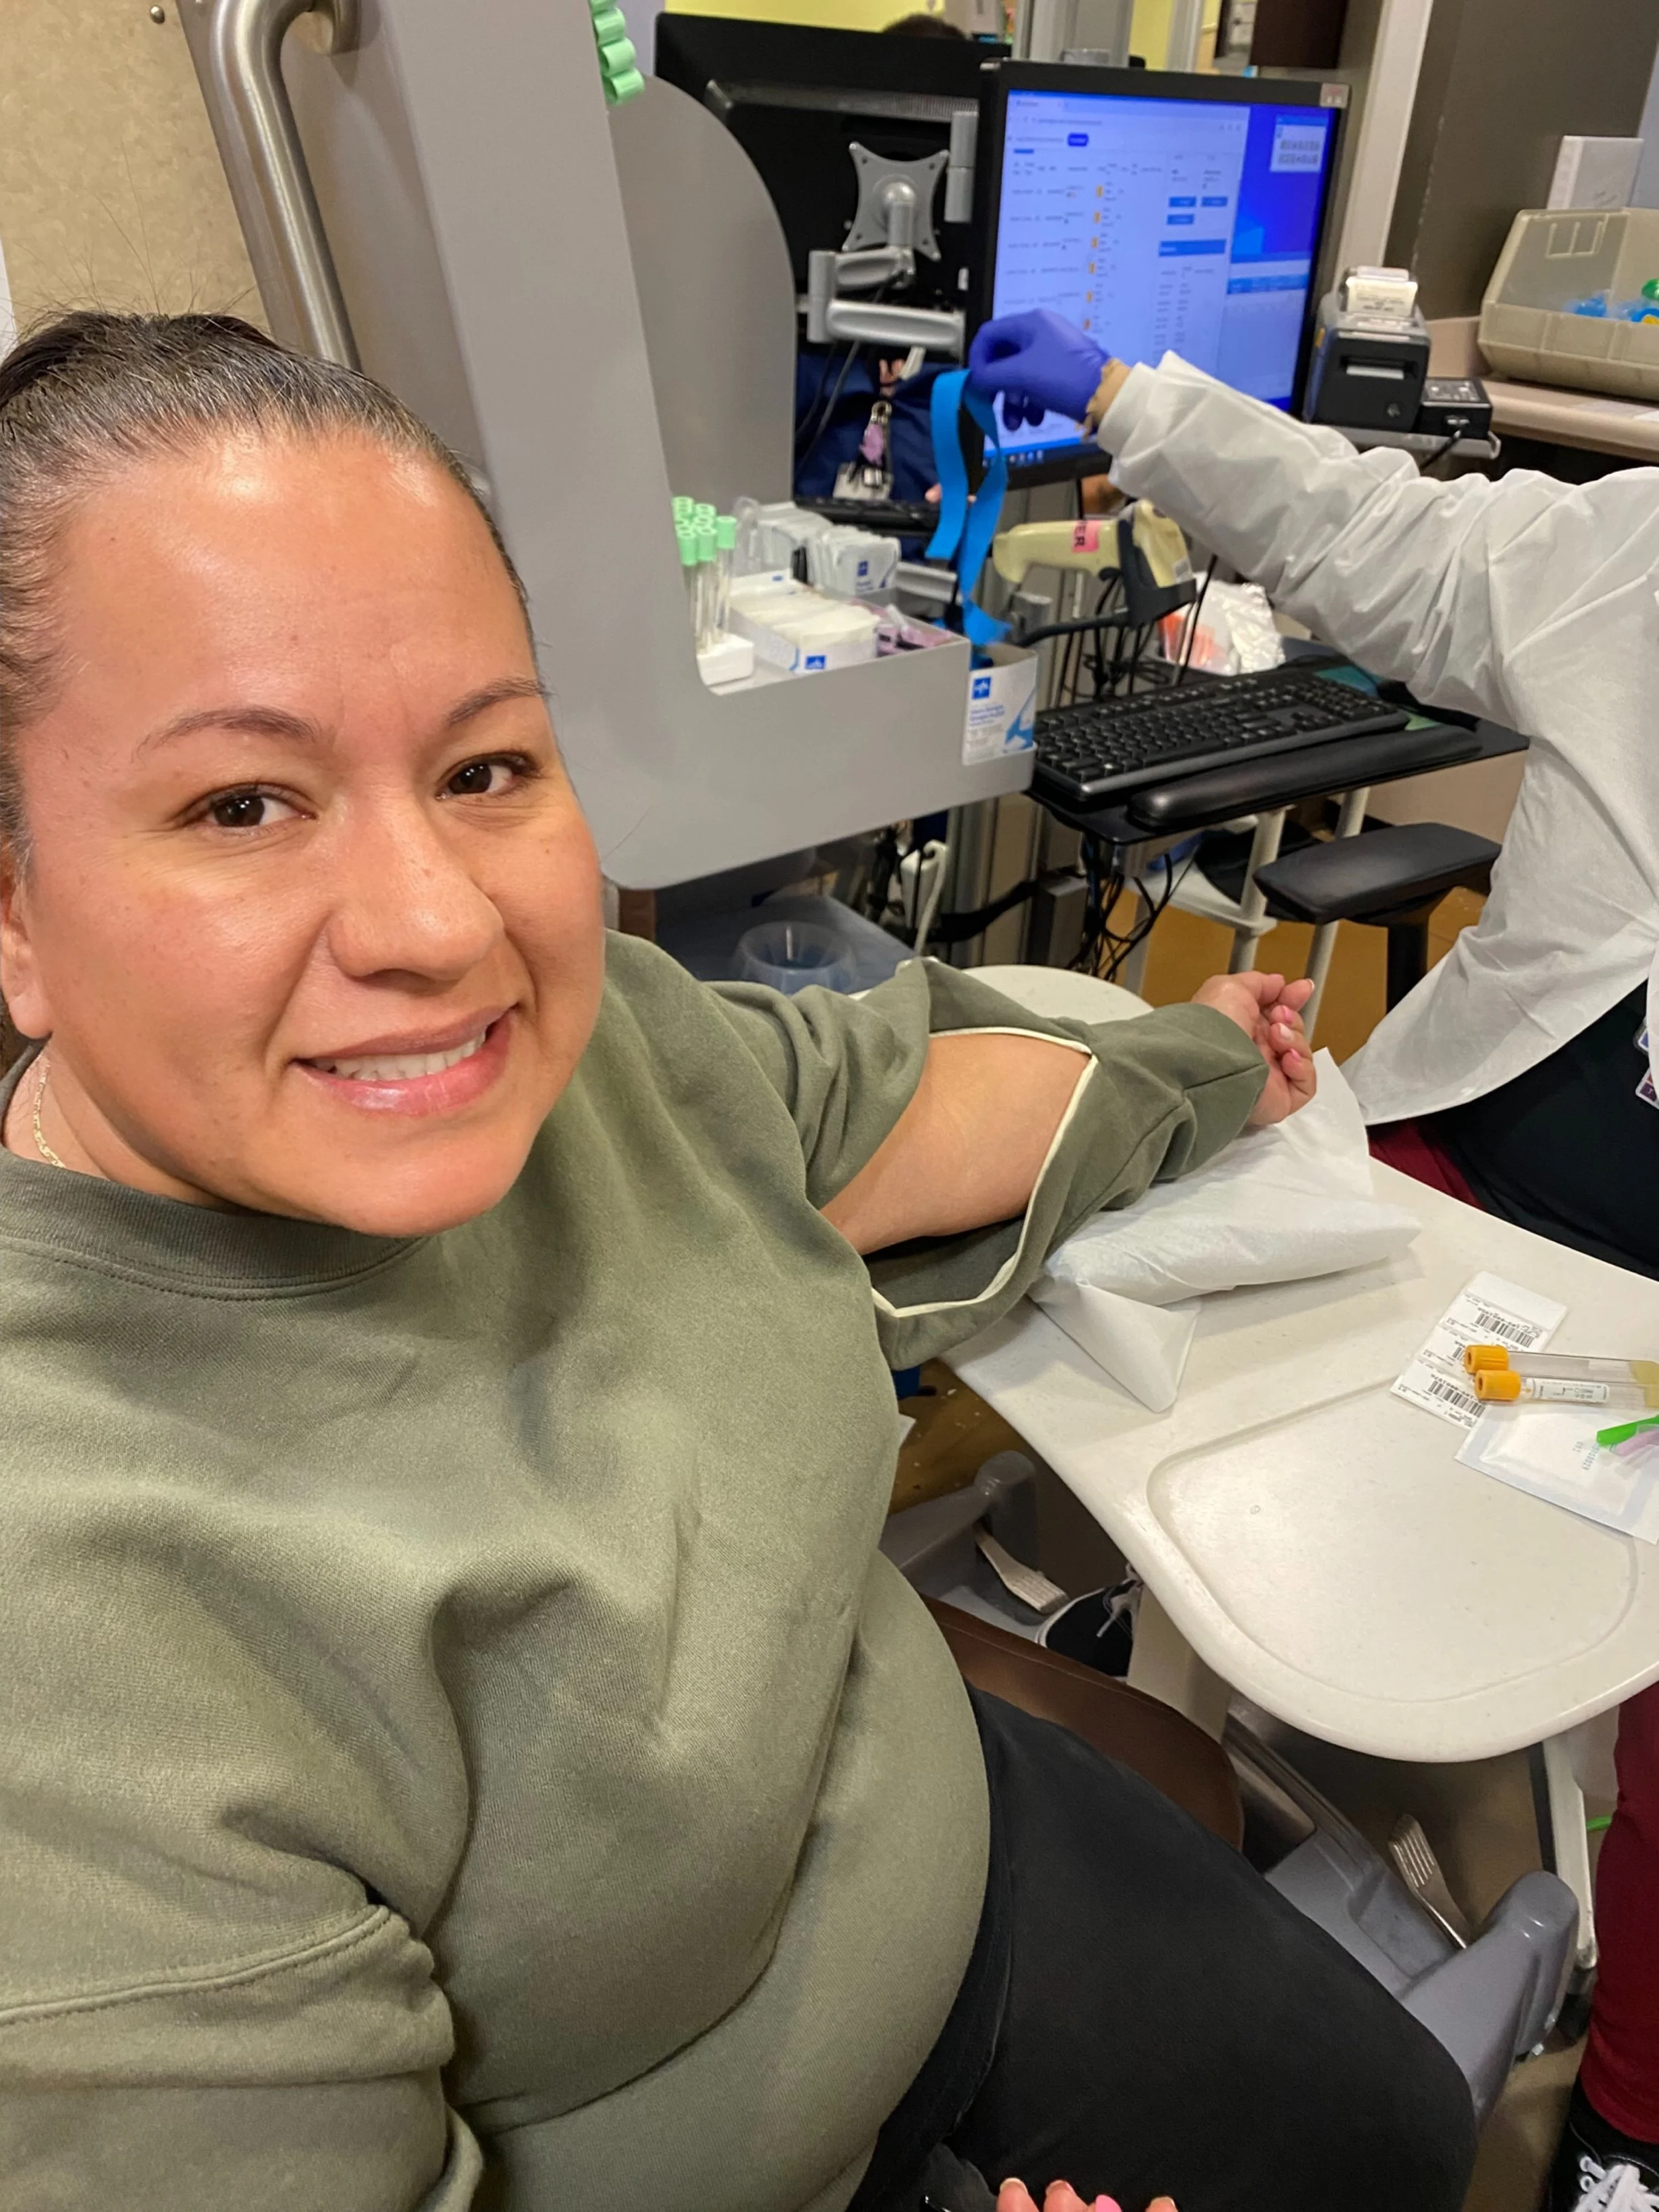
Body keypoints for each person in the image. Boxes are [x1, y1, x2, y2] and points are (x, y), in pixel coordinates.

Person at [0, 310, 1478, 2212]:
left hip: (923, 1833)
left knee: (1401, 2143)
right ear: (20, 913)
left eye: (484, 767)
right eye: (241, 804)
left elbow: (890, 1103)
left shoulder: (595, 1050)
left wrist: (1207, 1070)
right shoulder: (67, 1657)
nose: (438, 923)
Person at [968, 306, 1659, 2212]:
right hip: (1466, 1159)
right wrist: (1134, 402)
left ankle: (1626, 2113)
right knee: (1195, 1330)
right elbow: (1388, 539)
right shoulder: (1638, 564)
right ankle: (1177, 1700)